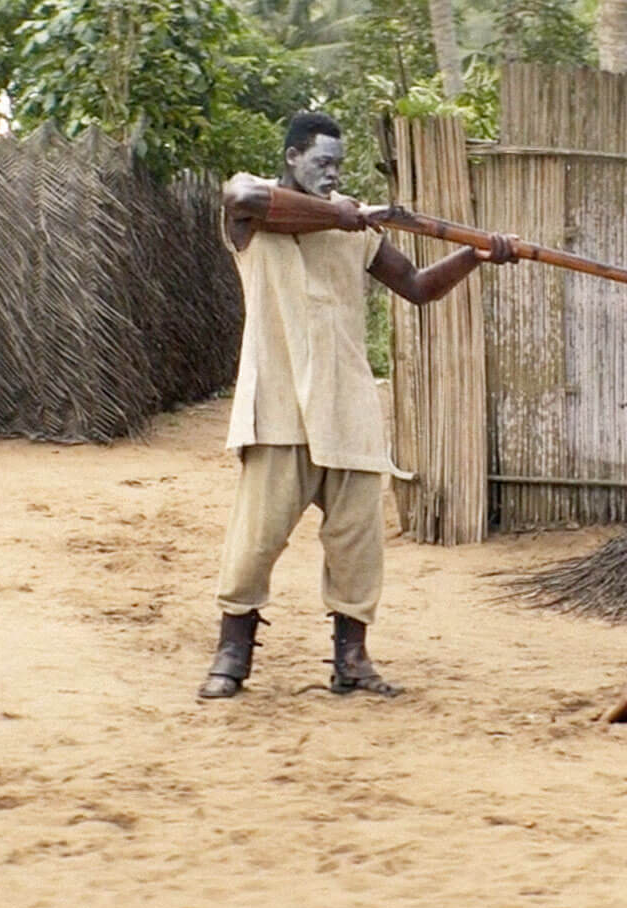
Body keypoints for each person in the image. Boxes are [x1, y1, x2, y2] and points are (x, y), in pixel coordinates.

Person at [197, 111, 523, 701]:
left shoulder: (360, 229)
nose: (332, 175)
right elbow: (242, 193)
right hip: (276, 403)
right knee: (254, 541)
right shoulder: (253, 213)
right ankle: (231, 655)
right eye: (322, 162)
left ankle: (352, 661)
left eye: (339, 166)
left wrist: (475, 255)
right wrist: (344, 213)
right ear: (293, 156)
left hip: (347, 404)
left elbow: (418, 287)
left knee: (356, 545)